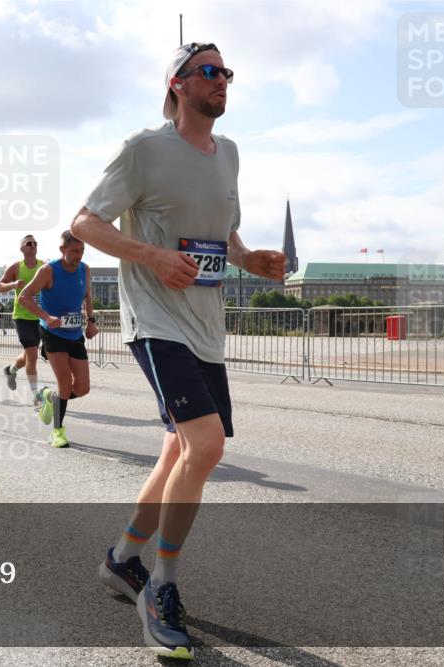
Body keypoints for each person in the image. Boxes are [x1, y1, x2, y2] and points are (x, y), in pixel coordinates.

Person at [71, 42, 286, 659]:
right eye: (210, 71)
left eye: (227, 73)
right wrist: (153, 256)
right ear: (178, 83)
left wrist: (249, 259)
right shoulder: (144, 149)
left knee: (175, 452)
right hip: (156, 320)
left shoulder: (230, 155)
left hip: (205, 327)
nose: (223, 82)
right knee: (206, 444)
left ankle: (121, 559)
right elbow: (85, 224)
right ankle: (160, 587)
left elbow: (224, 232)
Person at [18, 231, 97, 448]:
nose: (78, 255)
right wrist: (45, 316)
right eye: (74, 251)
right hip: (52, 333)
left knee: (82, 388)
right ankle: (57, 431)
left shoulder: (85, 269)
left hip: (75, 333)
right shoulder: (48, 271)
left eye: (82, 251)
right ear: (63, 250)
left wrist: (91, 321)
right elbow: (23, 297)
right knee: (64, 382)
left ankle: (50, 398)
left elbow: (87, 296)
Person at [0, 234, 44, 407]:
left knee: (27, 356)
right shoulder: (16, 267)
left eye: (34, 243)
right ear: (22, 248)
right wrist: (13, 284)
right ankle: (36, 395)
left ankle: (11, 370)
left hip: (39, 316)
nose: (32, 245)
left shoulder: (44, 266)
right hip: (22, 317)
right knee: (32, 355)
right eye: (28, 243)